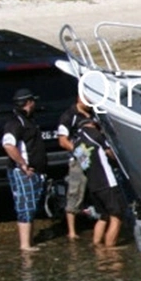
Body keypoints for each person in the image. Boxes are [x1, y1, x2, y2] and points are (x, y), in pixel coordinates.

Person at [2, 88, 48, 251]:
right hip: (22, 171)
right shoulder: (15, 123)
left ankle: (30, 242)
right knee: (25, 206)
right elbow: (8, 145)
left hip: (34, 171)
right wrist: (22, 164)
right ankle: (25, 245)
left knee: (32, 205)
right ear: (29, 102)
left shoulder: (29, 120)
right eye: (33, 101)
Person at [75, 120, 127, 247]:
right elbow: (110, 153)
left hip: (93, 184)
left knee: (104, 216)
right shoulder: (94, 134)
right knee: (117, 215)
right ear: (92, 124)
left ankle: (97, 245)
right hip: (107, 181)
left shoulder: (76, 142)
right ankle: (110, 249)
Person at [57, 96, 95, 239]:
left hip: (96, 160)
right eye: (88, 99)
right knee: (75, 192)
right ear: (79, 98)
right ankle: (72, 232)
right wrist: (80, 153)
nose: (91, 102)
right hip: (78, 160)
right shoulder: (69, 116)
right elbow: (62, 141)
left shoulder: (95, 114)